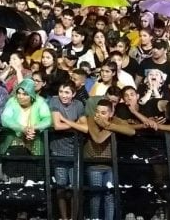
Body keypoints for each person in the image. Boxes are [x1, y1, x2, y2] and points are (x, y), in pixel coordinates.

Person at [84, 99, 136, 220]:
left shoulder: (115, 121)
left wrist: (108, 125)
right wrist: (114, 128)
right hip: (94, 164)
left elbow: (131, 131)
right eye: (97, 111)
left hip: (110, 165)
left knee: (110, 196)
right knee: (95, 196)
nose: (98, 115)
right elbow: (98, 139)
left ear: (111, 114)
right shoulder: (91, 119)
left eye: (103, 113)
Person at [50, 80, 88, 220]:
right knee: (61, 187)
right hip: (58, 151)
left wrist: (66, 121)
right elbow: (57, 126)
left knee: (75, 188)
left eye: (67, 92)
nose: (63, 95)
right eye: (61, 92)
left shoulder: (78, 104)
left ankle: (74, 217)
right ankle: (64, 218)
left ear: (74, 94)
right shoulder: (54, 102)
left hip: (75, 151)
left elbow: (85, 128)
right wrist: (75, 124)